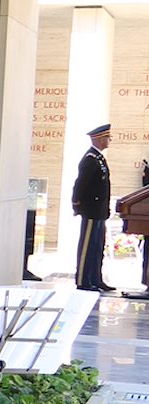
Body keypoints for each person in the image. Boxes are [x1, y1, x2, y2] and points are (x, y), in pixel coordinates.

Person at [72, 122, 115, 292]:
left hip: (99, 211)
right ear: (98, 139)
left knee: (97, 246)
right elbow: (80, 185)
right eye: (106, 138)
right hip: (90, 211)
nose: (108, 141)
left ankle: (96, 278)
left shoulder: (99, 159)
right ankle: (83, 280)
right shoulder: (90, 159)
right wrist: (77, 204)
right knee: (87, 247)